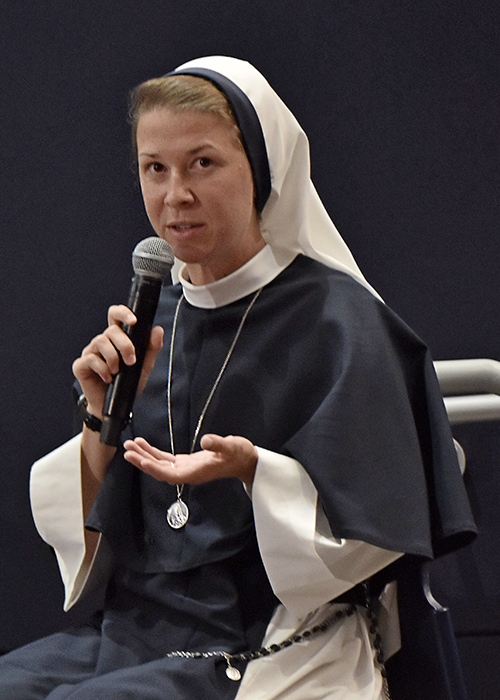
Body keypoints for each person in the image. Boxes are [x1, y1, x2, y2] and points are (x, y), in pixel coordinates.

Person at [1, 56, 475, 699]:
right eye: (154, 169)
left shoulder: (339, 321)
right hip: (137, 627)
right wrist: (98, 418)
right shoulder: (151, 317)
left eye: (203, 163)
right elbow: (98, 535)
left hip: (266, 632)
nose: (175, 196)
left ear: (260, 168)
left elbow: (372, 538)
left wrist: (257, 471)